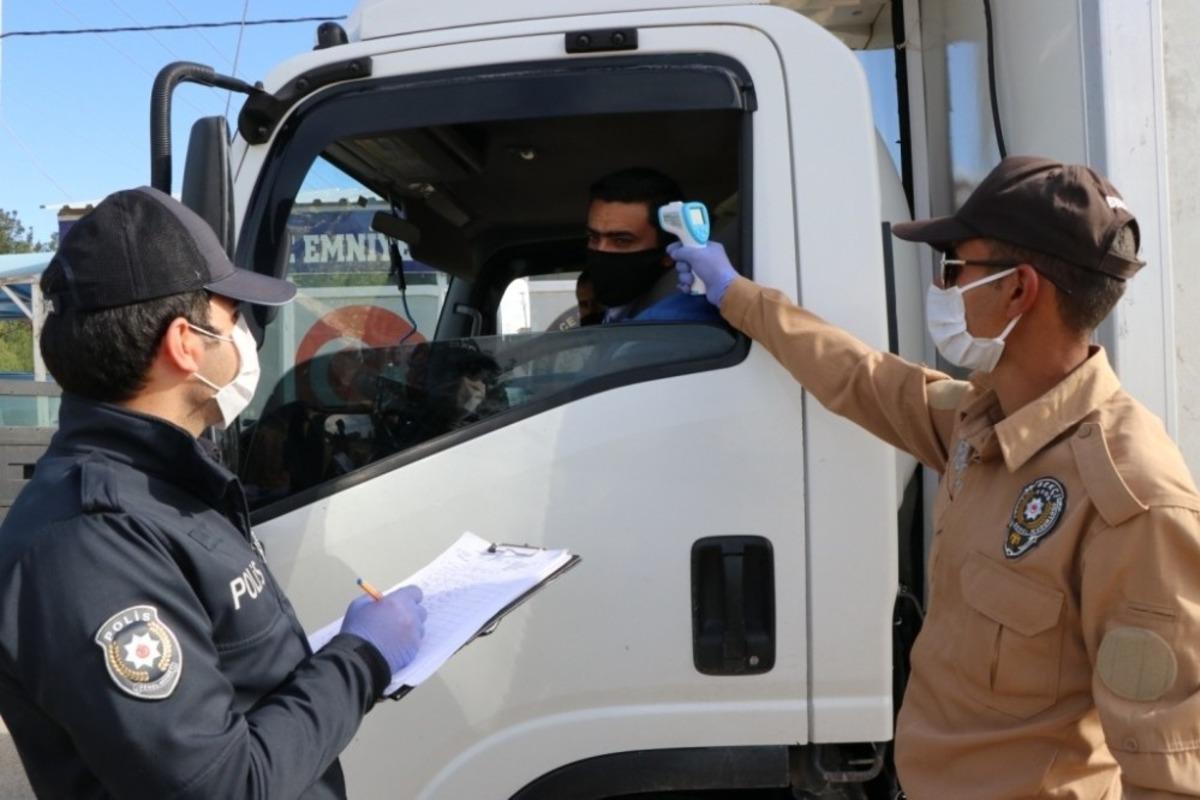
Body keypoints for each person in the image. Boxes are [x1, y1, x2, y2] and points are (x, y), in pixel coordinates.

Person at [670, 156, 1200, 797]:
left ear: (1018, 290)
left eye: (953, 268)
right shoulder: (983, 419)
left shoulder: (1131, 497)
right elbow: (860, 377)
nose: (941, 286)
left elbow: (1171, 770)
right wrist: (733, 293)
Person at [0, 187, 427, 799]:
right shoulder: (91, 542)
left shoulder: (165, 483)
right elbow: (223, 787)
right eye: (234, 316)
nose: (245, 336)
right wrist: (362, 659)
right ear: (185, 343)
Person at [585, 167, 720, 324]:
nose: (601, 250)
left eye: (621, 241)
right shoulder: (625, 311)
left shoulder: (673, 322)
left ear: (669, 251)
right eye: (593, 237)